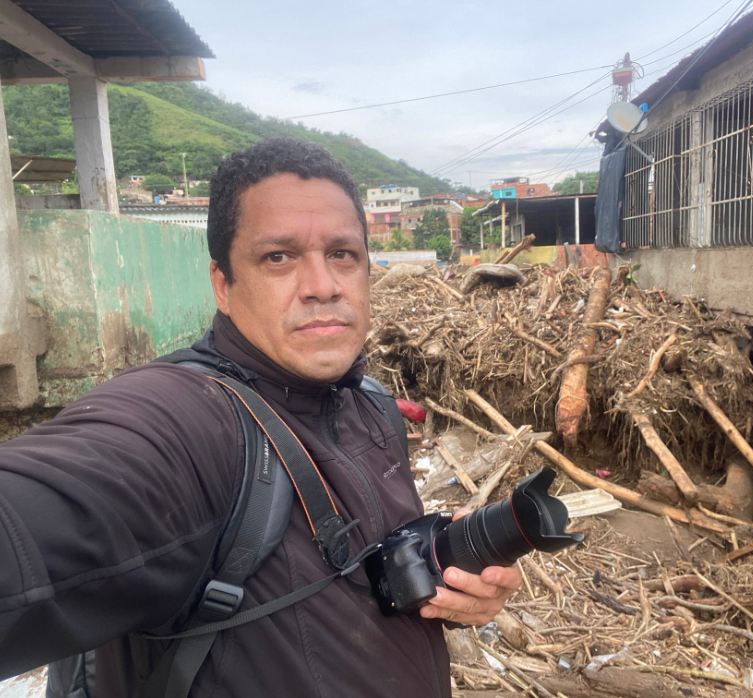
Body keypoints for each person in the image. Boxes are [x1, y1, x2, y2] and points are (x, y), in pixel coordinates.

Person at [0, 138, 522, 697]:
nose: (322, 286)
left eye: (343, 254)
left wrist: (453, 580)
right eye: (279, 257)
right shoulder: (189, 421)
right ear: (223, 285)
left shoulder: (370, 407)